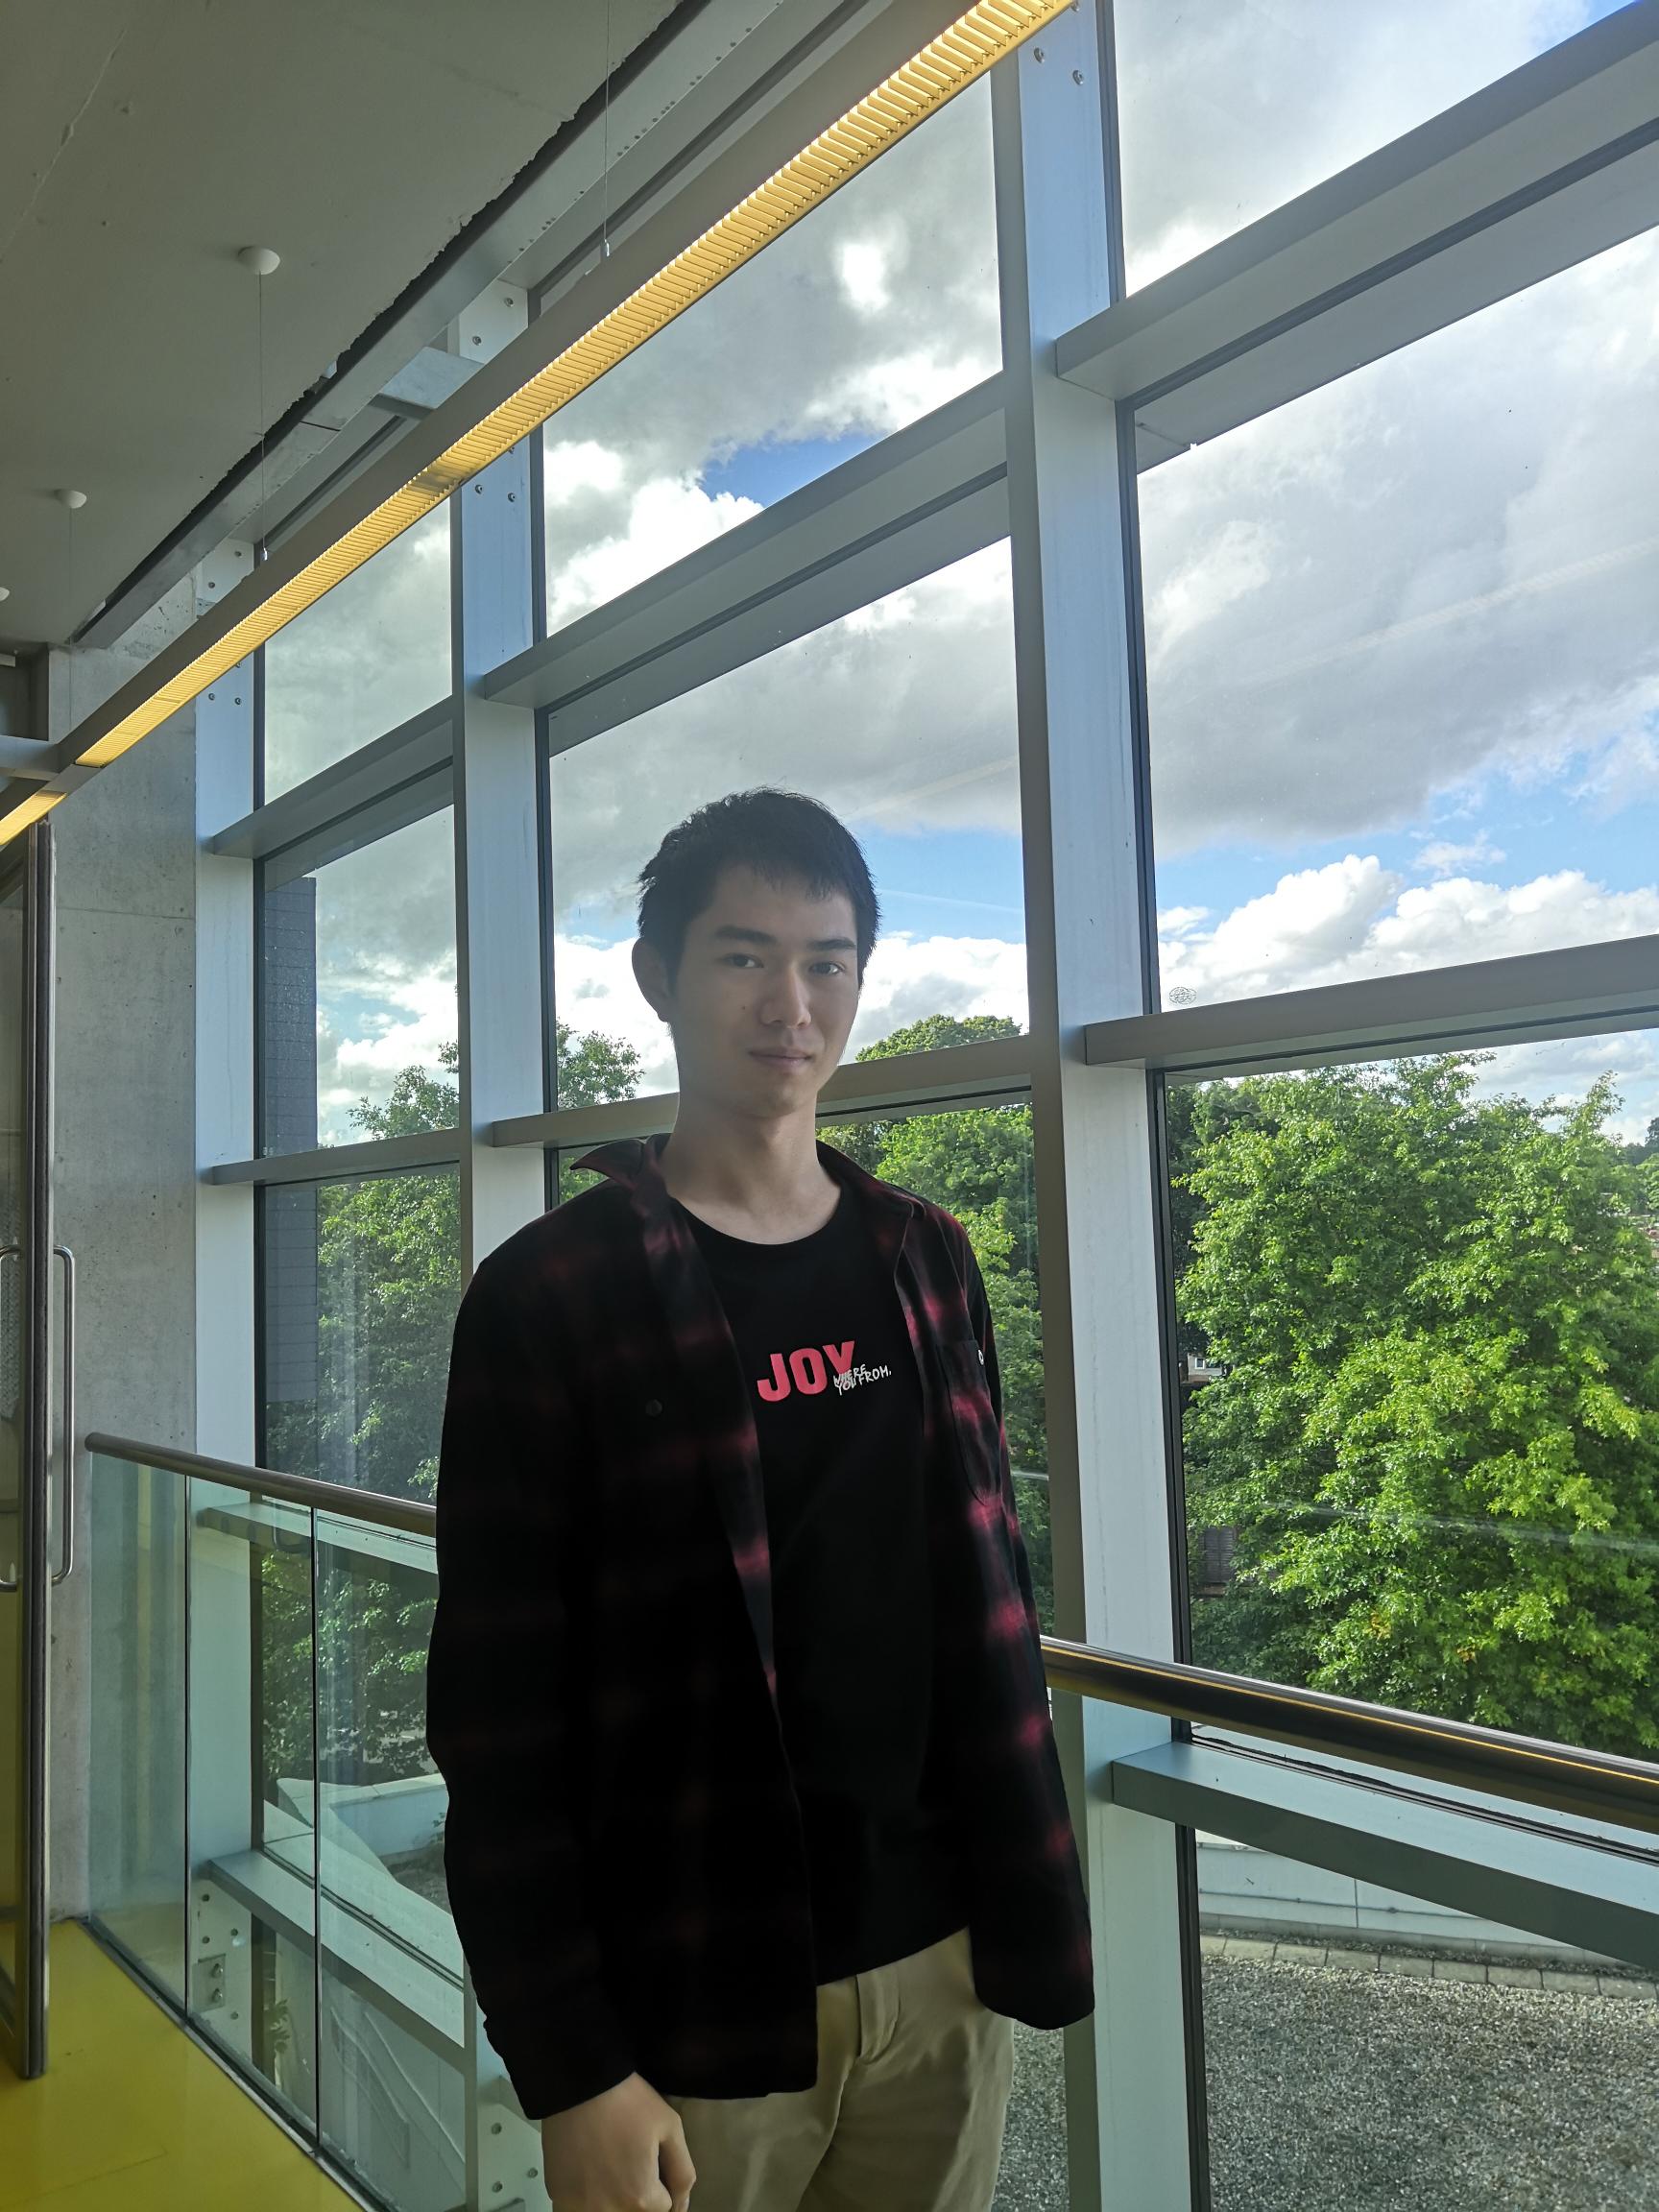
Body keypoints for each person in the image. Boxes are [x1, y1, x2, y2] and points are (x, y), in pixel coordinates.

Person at [425, 788, 1093, 2212]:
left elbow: (986, 1594)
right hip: (691, 1991)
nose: (792, 1005)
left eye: (827, 962)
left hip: (942, 1965)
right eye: (743, 957)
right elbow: (495, 1716)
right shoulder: (553, 1296)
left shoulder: (926, 1257)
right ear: (657, 977)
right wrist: (572, 2067)